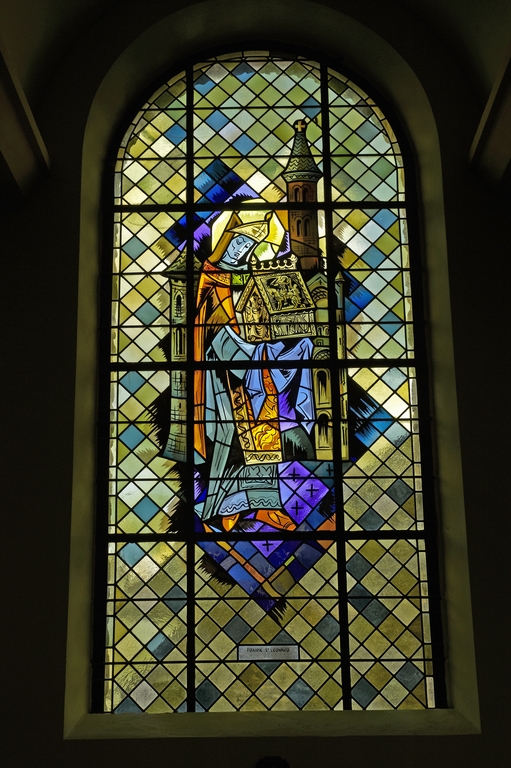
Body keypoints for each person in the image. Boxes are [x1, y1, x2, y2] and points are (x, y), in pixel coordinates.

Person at [194, 211, 315, 531]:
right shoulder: (212, 278)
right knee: (230, 439)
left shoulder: (248, 277)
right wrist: (257, 351)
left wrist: (277, 342)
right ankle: (223, 509)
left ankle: (264, 504)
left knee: (265, 433)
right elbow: (214, 329)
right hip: (224, 374)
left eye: (249, 245)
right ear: (225, 242)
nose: (243, 250)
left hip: (252, 368)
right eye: (239, 243)